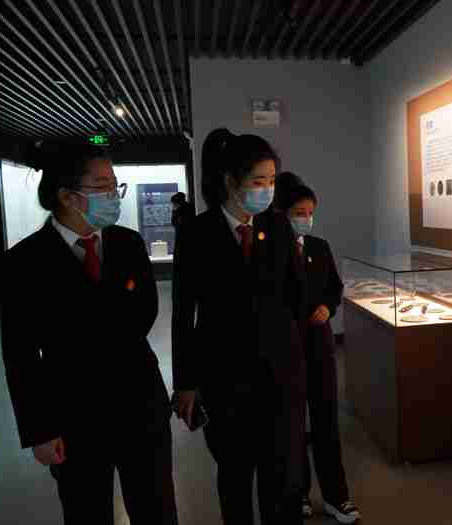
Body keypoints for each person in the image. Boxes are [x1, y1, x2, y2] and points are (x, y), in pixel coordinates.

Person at [0, 143, 177, 524]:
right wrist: (39, 431)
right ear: (66, 196)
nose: (113, 195)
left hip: (140, 405)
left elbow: (145, 312)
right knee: (86, 511)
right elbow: (19, 353)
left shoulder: (128, 244)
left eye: (114, 185)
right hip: (74, 416)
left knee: (157, 509)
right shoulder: (25, 262)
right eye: (102, 187)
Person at [171, 128, 307, 525]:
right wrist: (186, 382)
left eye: (271, 181)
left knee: (281, 481)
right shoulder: (196, 233)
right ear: (231, 182)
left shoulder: (278, 227)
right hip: (225, 379)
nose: (267, 190)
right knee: (234, 476)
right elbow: (183, 313)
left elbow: (296, 298)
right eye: (258, 181)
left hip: (278, 377)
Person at [278, 181, 361, 524]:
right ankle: (297, 492)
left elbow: (334, 288)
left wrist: (328, 306)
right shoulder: (272, 252)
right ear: (283, 214)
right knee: (293, 423)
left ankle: (336, 496)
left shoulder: (319, 247)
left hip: (319, 346)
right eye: (299, 213)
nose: (306, 219)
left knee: (326, 420)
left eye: (310, 213)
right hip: (286, 348)